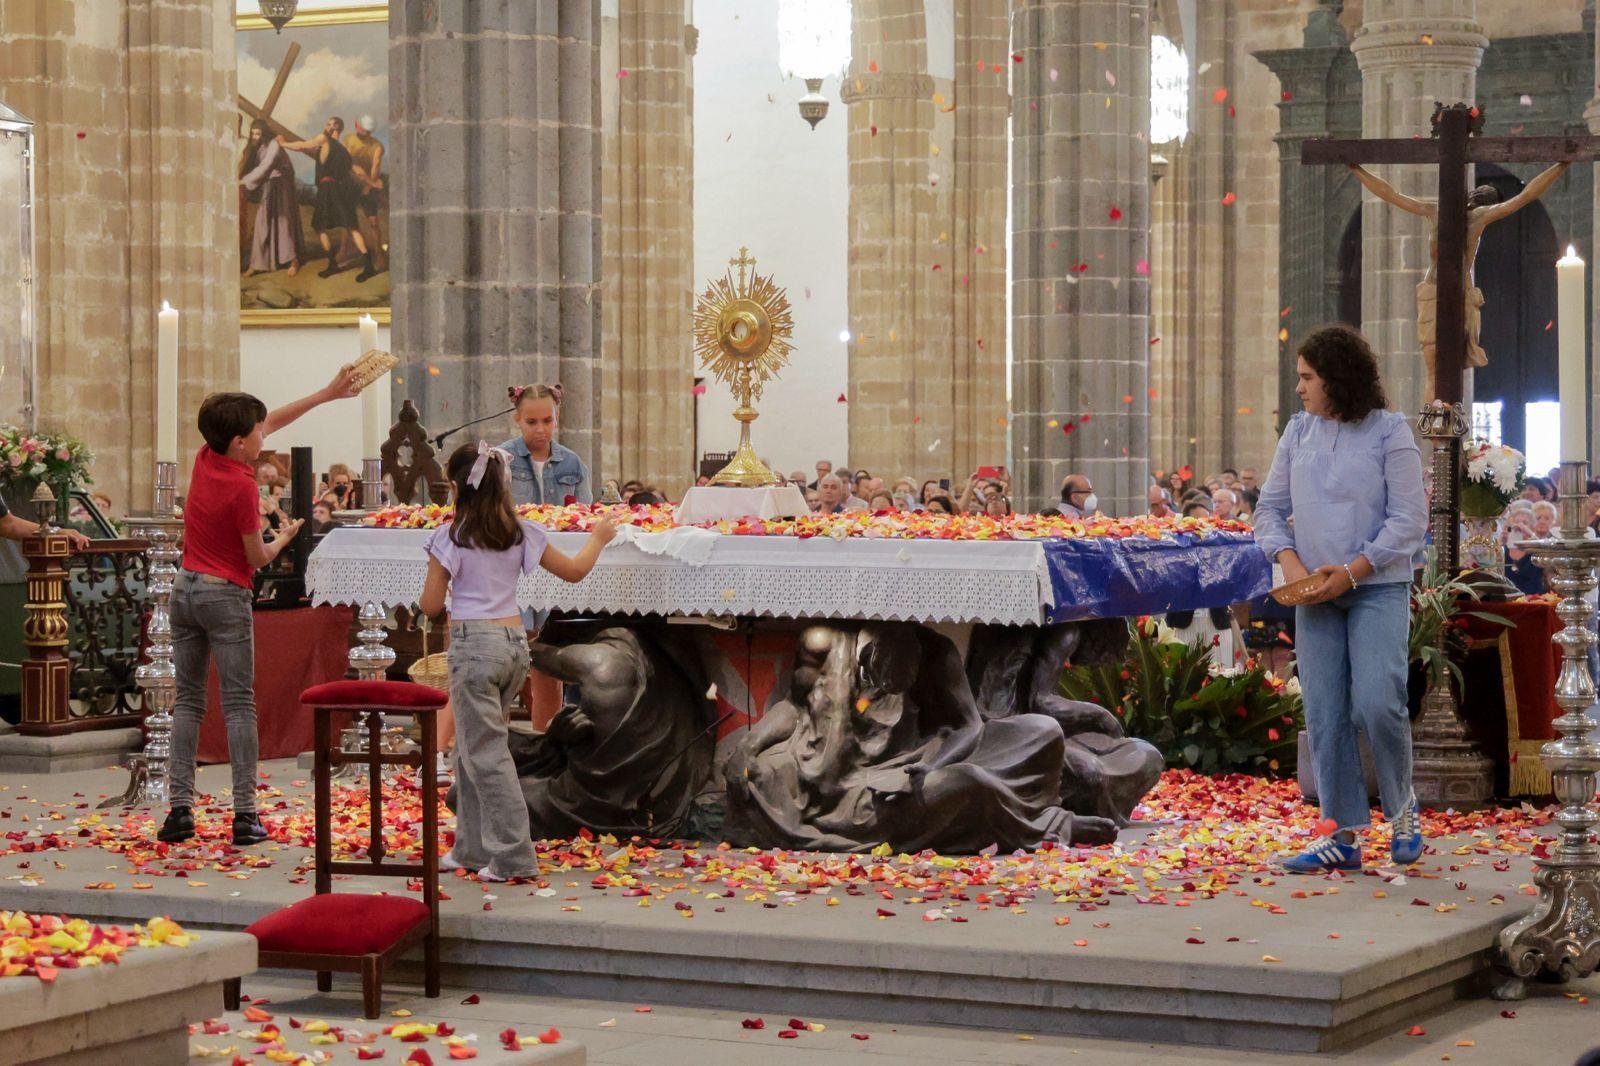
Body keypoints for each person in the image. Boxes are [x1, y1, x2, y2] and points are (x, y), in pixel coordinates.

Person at [158, 367, 359, 847]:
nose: (264, 437)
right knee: (238, 704)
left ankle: (179, 811)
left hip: (184, 588)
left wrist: (326, 394)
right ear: (239, 443)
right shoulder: (243, 486)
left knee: (187, 702)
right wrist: (285, 536)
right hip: (224, 594)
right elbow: (257, 557)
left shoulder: (206, 456)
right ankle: (245, 815)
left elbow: (273, 421)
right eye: (256, 434)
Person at [1254, 325, 1427, 874]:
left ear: (1337, 377)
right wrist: (1292, 564)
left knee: (1379, 701)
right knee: (1325, 712)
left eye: (1307, 378)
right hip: (1313, 592)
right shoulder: (1298, 432)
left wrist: (1352, 571)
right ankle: (1343, 833)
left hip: (1375, 586)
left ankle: (1403, 811)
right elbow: (1267, 509)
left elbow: (1410, 520)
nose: (1299, 388)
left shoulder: (1389, 431)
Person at [417, 442, 616, 881]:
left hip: (474, 647)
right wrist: (598, 538)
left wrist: (434, 586)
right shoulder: (520, 531)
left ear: (454, 486)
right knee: (471, 749)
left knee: (485, 754)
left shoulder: (450, 536)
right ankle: (470, 847)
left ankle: (512, 855)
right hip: (513, 646)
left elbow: (431, 605)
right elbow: (575, 571)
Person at [500, 382, 591, 732]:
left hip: (556, 567)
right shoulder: (502, 459)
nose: (540, 429)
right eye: (531, 422)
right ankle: (499, 739)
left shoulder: (573, 463)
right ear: (517, 420)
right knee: (511, 654)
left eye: (547, 421)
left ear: (557, 419)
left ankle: (545, 736)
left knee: (548, 656)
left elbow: (584, 516)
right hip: (514, 568)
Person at [278, 117, 379, 283]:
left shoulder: (323, 139)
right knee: (351, 226)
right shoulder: (345, 152)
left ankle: (338, 264)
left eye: (332, 125)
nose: (330, 127)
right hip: (341, 190)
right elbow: (359, 171)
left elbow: (302, 145)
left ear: (336, 129)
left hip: (327, 189)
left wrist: (283, 143)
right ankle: (364, 266)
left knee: (320, 226)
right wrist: (372, 183)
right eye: (329, 124)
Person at [238, 119, 301, 277]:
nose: (254, 137)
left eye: (258, 134)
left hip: (282, 186)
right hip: (269, 184)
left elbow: (267, 165)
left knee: (283, 221)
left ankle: (293, 260)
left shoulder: (274, 144)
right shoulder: (260, 147)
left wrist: (244, 180)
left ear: (264, 133)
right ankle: (257, 264)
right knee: (262, 221)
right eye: (253, 134)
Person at [342, 115, 387, 278]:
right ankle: (342, 251)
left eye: (368, 132)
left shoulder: (377, 146)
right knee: (348, 220)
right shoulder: (348, 139)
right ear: (356, 125)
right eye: (362, 130)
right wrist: (362, 179)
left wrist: (369, 185)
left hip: (369, 185)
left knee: (373, 222)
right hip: (351, 184)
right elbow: (348, 163)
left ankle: (379, 254)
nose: (365, 134)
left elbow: (375, 167)